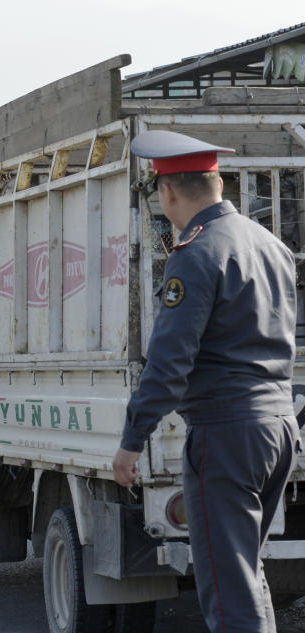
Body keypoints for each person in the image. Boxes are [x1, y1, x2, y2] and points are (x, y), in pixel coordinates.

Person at [112, 130, 300, 633]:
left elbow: (169, 364)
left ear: (168, 192)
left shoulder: (196, 254)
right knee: (245, 575)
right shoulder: (271, 244)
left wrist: (131, 442)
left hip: (226, 432)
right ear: (217, 181)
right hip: (278, 425)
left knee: (227, 588)